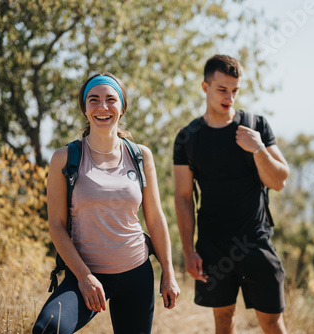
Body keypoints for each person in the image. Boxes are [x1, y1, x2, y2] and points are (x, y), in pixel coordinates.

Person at [33, 73, 180, 334]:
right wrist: (84, 277)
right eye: (94, 100)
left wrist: (168, 272)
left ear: (122, 107)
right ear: (85, 108)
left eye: (111, 99)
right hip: (86, 272)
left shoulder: (140, 155)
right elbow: (56, 226)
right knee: (49, 329)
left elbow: (155, 218)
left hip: (136, 271)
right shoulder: (65, 158)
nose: (102, 107)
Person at [173, 55, 290, 334]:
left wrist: (258, 148)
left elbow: (279, 180)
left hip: (256, 241)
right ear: (205, 87)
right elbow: (183, 197)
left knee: (272, 323)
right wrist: (189, 251)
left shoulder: (255, 125)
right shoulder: (188, 137)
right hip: (213, 246)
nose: (230, 97)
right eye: (222, 89)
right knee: (223, 321)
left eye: (235, 90)